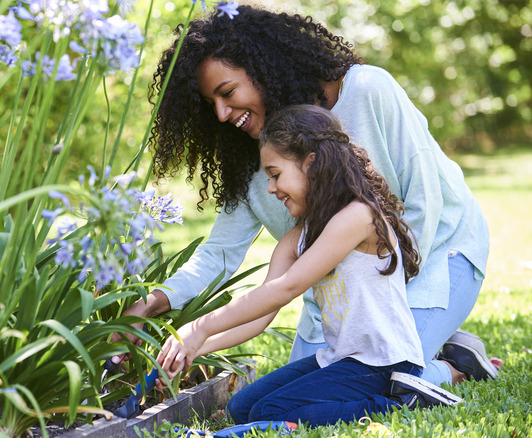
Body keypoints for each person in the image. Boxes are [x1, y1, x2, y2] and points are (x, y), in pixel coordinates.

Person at [113, 6, 497, 387]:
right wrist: (153, 302)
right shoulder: (254, 161)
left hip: (437, 258)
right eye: (210, 103)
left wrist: (384, 311)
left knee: (379, 380)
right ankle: (441, 346)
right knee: (301, 389)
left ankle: (452, 366)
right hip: (342, 296)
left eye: (227, 93)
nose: (221, 114)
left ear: (263, 68)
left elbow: (424, 203)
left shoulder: (366, 90)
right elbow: (219, 254)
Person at [156, 104, 462, 427]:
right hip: (340, 360)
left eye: (275, 174)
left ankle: (405, 401)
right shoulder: (298, 237)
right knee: (241, 409)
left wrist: (200, 326)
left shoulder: (359, 217)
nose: (271, 188)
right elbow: (262, 312)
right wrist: (195, 348)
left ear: (310, 164)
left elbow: (286, 288)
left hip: (384, 365)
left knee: (268, 414)